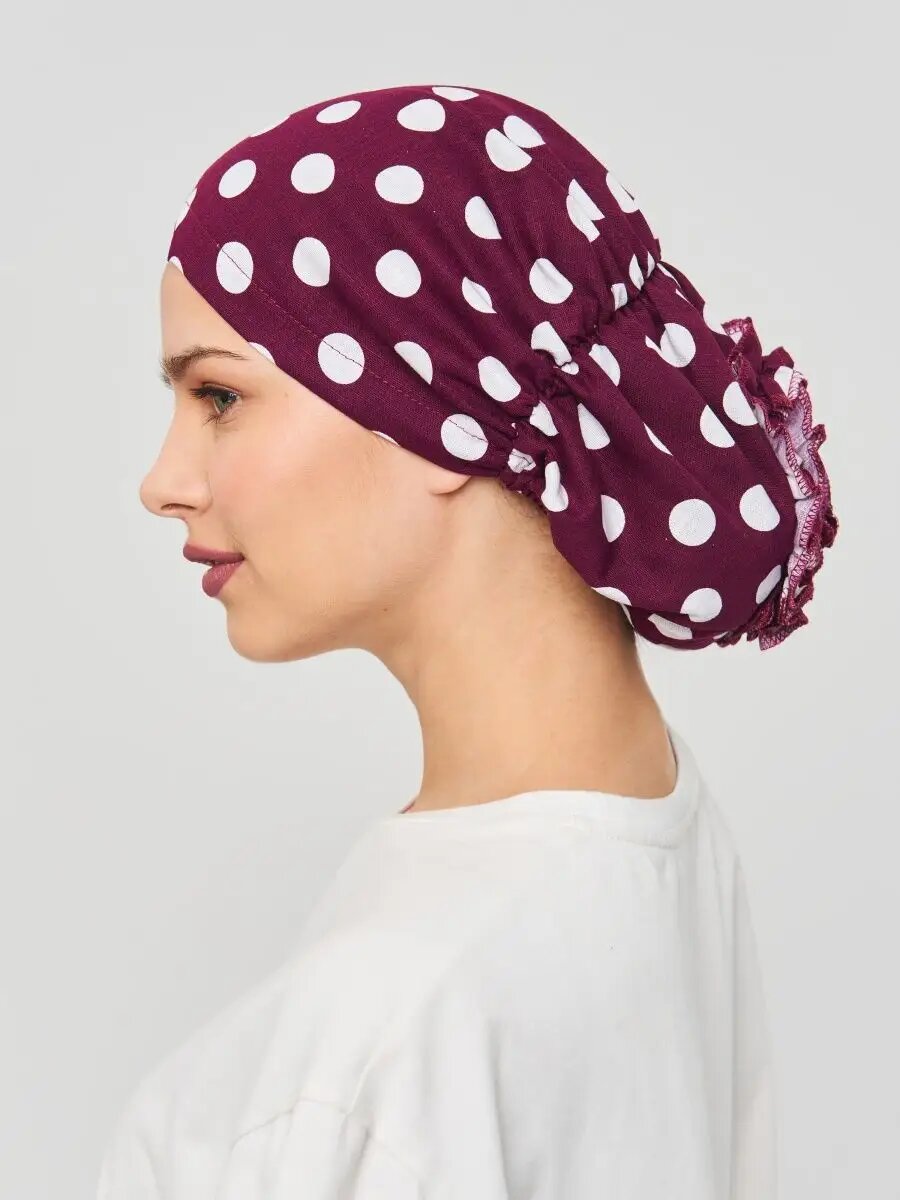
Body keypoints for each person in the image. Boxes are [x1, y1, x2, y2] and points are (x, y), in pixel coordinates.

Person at [97, 82, 839, 1198]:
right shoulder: (652, 822)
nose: (163, 482)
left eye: (218, 397)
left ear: (438, 415)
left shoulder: (389, 1034)